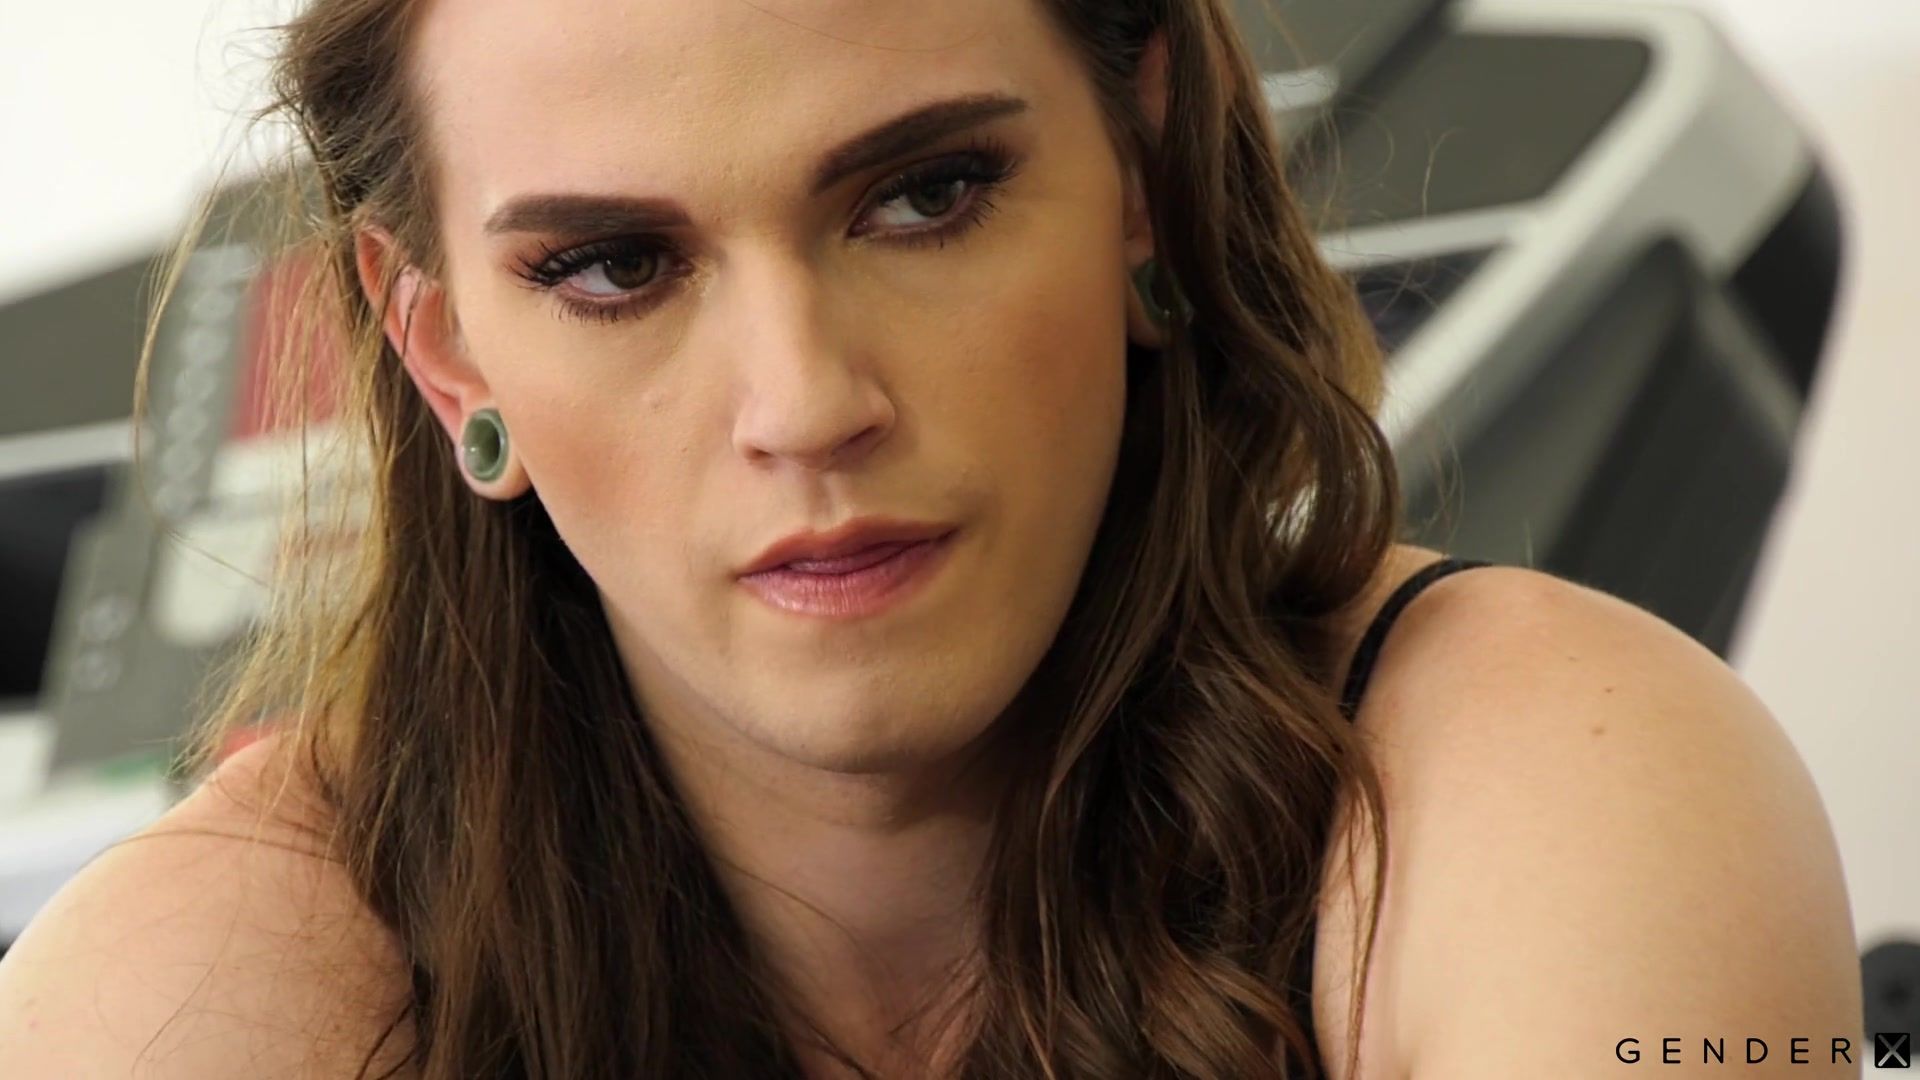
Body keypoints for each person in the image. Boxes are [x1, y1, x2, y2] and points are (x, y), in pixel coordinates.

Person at [0, 0, 1861, 1076]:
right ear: (443, 352)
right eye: (614, 266)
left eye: (927, 195)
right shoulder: (203, 976)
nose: (806, 403)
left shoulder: (1569, 779)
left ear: (1140, 178)